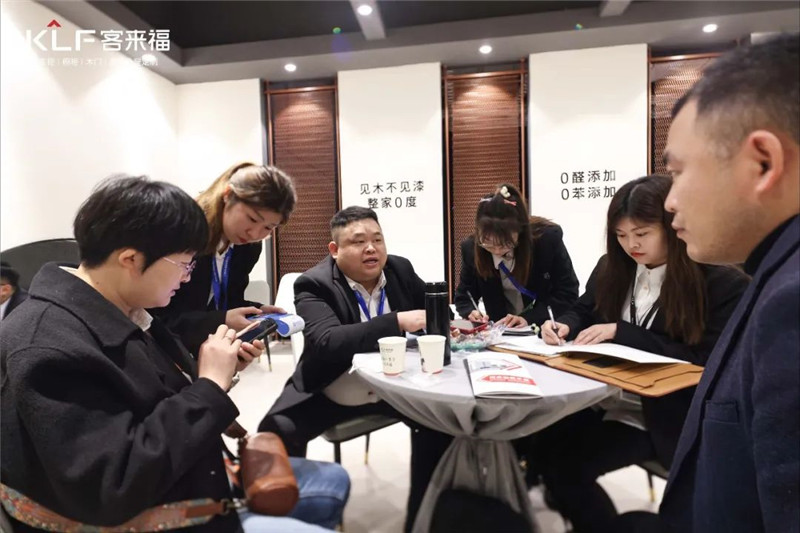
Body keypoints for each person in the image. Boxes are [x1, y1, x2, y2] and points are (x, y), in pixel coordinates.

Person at [0, 176, 348, 533]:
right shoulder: (47, 345)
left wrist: (216, 371)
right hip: (170, 513)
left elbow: (161, 393)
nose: (186, 279)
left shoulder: (124, 310)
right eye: (184, 264)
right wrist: (209, 385)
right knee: (328, 492)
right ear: (130, 259)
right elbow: (113, 486)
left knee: (334, 482)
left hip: (197, 478)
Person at [537, 174, 749, 533]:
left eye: (641, 233)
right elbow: (583, 309)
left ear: (672, 226)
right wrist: (564, 325)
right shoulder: (612, 267)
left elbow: (706, 360)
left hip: (664, 415)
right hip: (600, 398)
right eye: (620, 235)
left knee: (567, 468)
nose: (630, 245)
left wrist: (623, 333)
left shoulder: (718, 282)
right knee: (538, 444)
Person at [658, 34, 799, 533]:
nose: (670, 201)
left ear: (763, 163)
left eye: (678, 172)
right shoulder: (774, 274)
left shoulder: (792, 302)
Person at [257, 206, 448, 531]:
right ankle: (292, 521)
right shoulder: (314, 283)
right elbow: (327, 341)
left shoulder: (400, 269)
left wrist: (445, 318)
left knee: (441, 425)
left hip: (398, 387)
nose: (371, 248)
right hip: (337, 389)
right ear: (335, 249)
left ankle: (421, 520)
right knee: (277, 430)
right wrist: (396, 321)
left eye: (377, 239)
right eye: (358, 242)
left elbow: (432, 315)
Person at [155, 162, 296, 356]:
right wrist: (221, 320)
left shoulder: (248, 247)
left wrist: (255, 311)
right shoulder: (182, 233)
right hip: (163, 352)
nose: (254, 233)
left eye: (268, 228)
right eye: (252, 219)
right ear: (228, 195)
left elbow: (228, 299)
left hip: (204, 349)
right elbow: (156, 316)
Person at [454, 184, 579, 329]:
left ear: (520, 232)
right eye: (488, 243)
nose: (497, 250)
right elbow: (464, 296)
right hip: (500, 332)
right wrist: (471, 312)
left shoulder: (546, 240)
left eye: (505, 243)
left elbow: (567, 293)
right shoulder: (471, 248)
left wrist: (528, 318)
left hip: (541, 329)